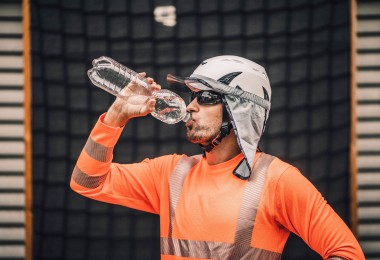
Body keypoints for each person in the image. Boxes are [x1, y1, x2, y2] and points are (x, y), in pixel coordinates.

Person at [71, 55, 364, 259]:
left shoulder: (278, 181)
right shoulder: (171, 174)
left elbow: (347, 254)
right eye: (193, 97)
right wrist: (116, 116)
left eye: (207, 97)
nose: (192, 106)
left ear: (241, 109)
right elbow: (87, 182)